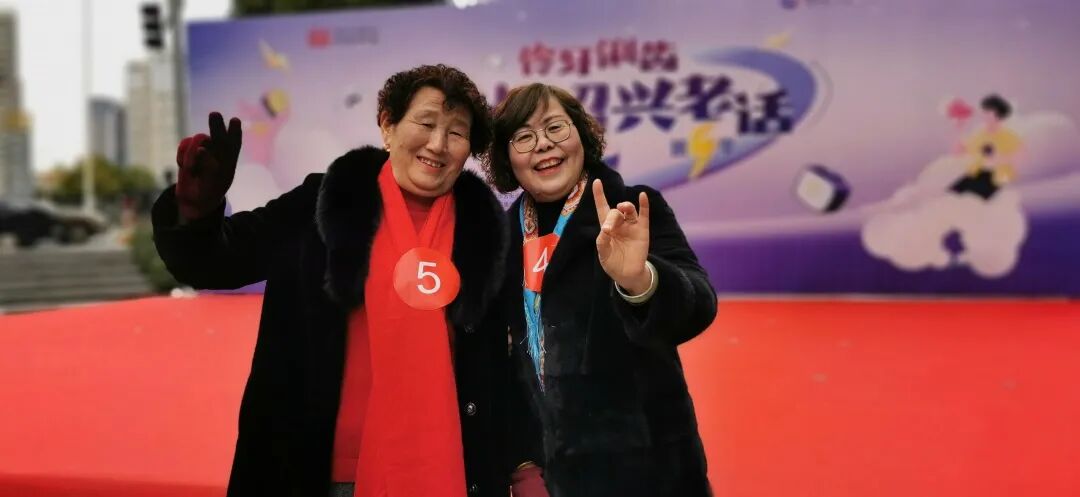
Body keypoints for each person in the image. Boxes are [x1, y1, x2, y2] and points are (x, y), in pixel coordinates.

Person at [152, 64, 511, 497]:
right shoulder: (323, 202)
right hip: (317, 471)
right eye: (426, 123)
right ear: (388, 126)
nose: (438, 144)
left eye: (456, 133)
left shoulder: (482, 232)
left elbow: (497, 369)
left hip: (444, 471)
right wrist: (197, 211)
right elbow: (213, 263)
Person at [483, 83, 717, 497]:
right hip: (552, 471)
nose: (543, 144)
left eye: (555, 127)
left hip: (648, 470)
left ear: (581, 134)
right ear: (507, 157)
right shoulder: (501, 239)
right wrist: (521, 462)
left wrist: (639, 280)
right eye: (523, 136)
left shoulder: (632, 207)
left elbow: (699, 304)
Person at [949, 94, 1024, 200]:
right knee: (950, 196)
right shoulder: (979, 135)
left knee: (971, 200)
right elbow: (958, 152)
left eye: (988, 111)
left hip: (998, 177)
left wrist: (998, 158)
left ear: (998, 114)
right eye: (984, 111)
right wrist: (959, 130)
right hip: (976, 174)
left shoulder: (1010, 137)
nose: (984, 114)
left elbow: (1020, 158)